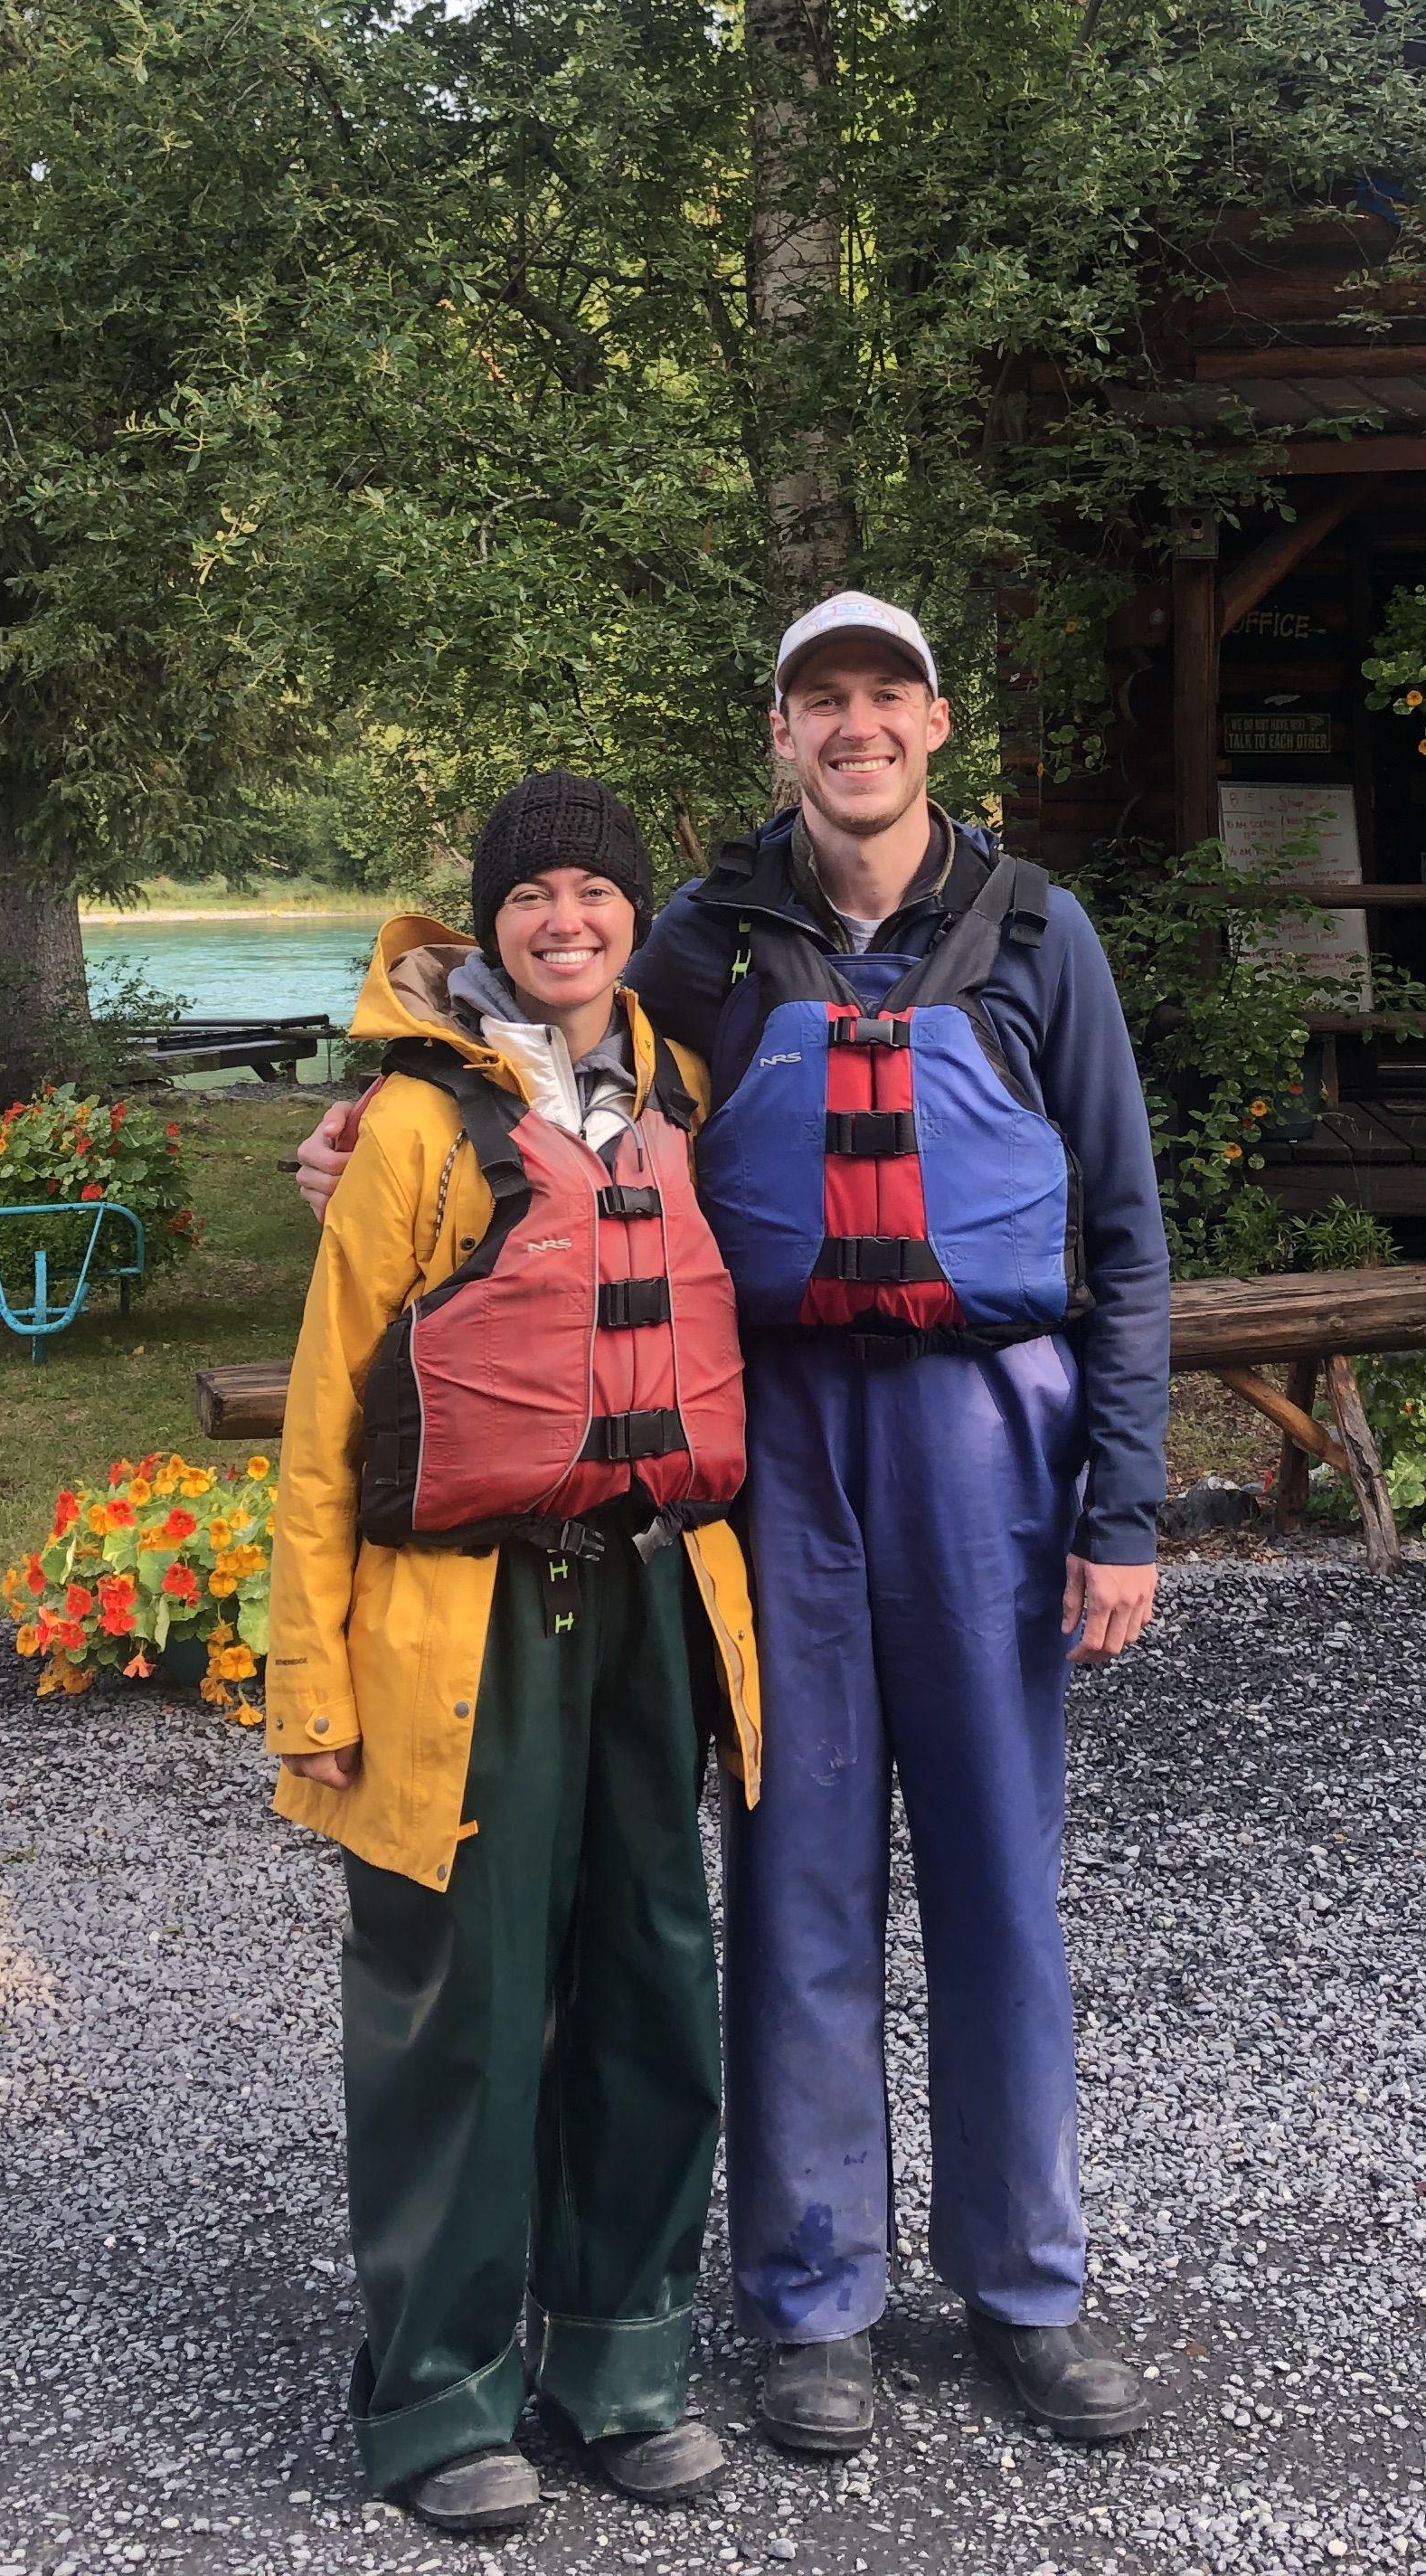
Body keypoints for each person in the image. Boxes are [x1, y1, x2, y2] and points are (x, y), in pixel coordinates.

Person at [297, 599, 1169, 2455]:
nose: (856, 729)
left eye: (884, 697)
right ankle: (811, 2297)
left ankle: (1026, 2285)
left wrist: (1126, 1503)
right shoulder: (703, 936)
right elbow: (548, 1059)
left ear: (935, 723)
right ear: (781, 735)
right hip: (776, 1443)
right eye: (819, 702)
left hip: (987, 1435)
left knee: (1001, 1875)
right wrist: (366, 1121)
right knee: (795, 1869)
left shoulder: (1042, 934)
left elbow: (1126, 1229)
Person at [266, 771, 765, 2538]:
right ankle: (440, 2396)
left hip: (649, 1602)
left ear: (635, 914)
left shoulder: (682, 1088)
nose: (567, 919)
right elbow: (325, 1423)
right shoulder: (413, 1125)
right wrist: (310, 1685)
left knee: (652, 1981)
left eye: (596, 891)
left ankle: (623, 2359)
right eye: (533, 893)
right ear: (488, 921)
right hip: (462, 1617)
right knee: (460, 2010)